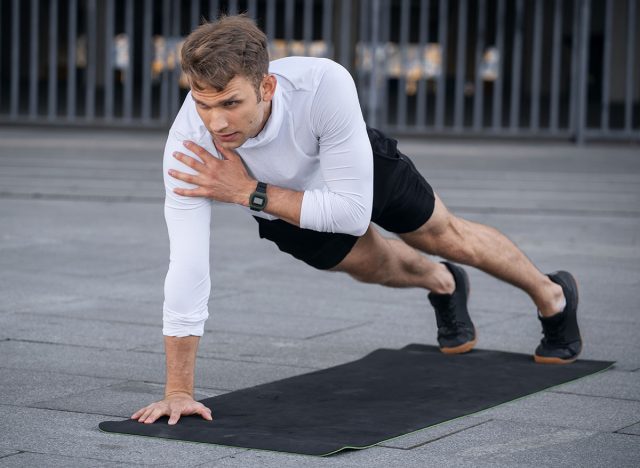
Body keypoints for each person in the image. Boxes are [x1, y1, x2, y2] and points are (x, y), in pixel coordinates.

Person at [131, 15, 582, 426]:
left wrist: (245, 191)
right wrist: (178, 391)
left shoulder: (323, 82)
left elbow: (351, 212)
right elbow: (187, 265)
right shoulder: (189, 145)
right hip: (282, 210)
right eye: (202, 104)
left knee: (446, 236)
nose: (216, 122)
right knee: (381, 265)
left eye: (230, 102)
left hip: (354, 170)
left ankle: (553, 294)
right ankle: (444, 284)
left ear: (266, 87)